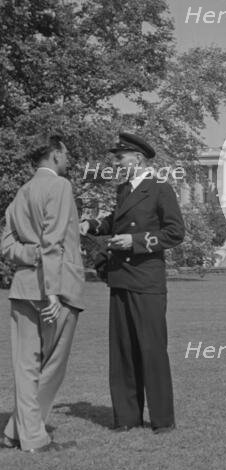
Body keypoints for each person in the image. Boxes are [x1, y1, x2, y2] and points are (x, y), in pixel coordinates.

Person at [81, 132, 184, 433]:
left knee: (152, 350)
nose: (116, 162)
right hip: (121, 278)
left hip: (146, 280)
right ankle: (127, 418)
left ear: (137, 158)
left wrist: (136, 241)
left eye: (120, 157)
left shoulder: (160, 188)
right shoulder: (124, 189)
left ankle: (163, 420)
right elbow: (117, 220)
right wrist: (93, 224)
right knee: (123, 350)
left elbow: (175, 233)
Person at [1, 135, 84, 452]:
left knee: (26, 368)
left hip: (22, 289)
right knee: (51, 367)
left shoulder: (21, 193)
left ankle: (15, 433)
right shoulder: (60, 186)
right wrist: (52, 293)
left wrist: (29, 254)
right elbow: (52, 243)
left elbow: (6, 245)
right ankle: (32, 437)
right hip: (57, 290)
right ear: (54, 155)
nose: (69, 158)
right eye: (66, 153)